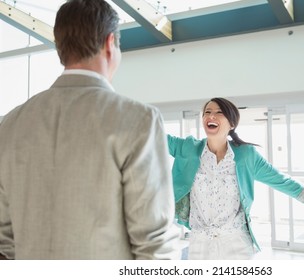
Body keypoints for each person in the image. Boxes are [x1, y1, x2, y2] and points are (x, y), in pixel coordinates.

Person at [0, 0, 179, 260]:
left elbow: (4, 241)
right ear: (110, 44)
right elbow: (154, 244)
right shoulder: (139, 120)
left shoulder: (10, 125)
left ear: (61, 48)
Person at [167, 97, 304, 260]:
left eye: (219, 112)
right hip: (199, 243)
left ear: (232, 123)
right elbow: (153, 137)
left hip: (235, 243)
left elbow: (282, 181)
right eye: (207, 112)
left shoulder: (246, 156)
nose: (211, 115)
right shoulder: (188, 148)